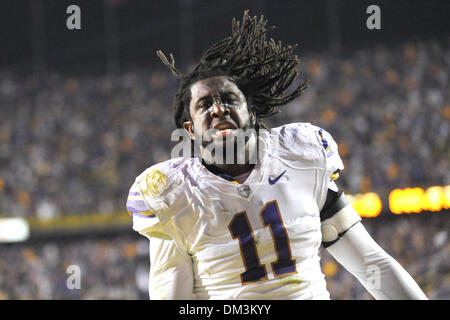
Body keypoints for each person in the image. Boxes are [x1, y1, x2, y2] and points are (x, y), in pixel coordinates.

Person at [126, 11, 428, 300]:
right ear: (190, 130)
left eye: (229, 99)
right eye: (204, 104)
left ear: (252, 112)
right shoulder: (174, 193)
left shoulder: (301, 157)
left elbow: (372, 264)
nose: (218, 109)